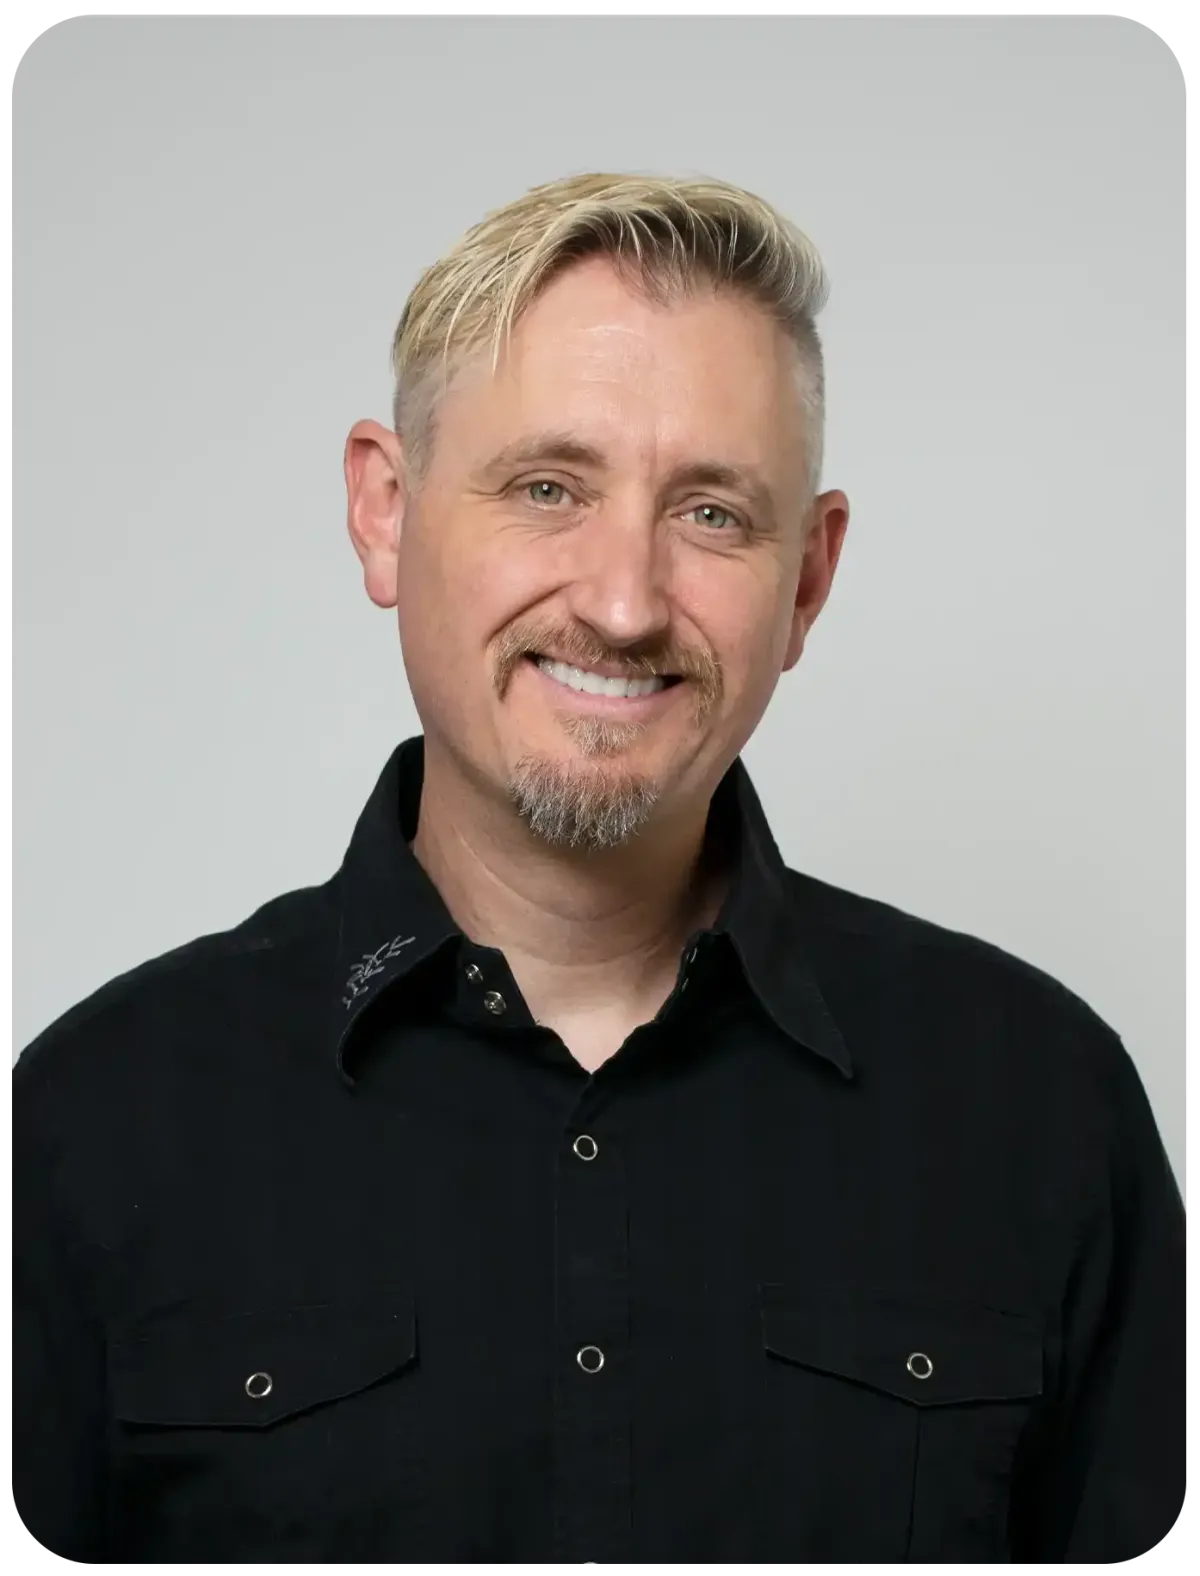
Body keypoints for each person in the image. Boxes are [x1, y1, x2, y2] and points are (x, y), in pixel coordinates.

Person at [10, 171, 1193, 1569]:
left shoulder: (1041, 1107)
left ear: (808, 581)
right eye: (548, 488)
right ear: (385, 510)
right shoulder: (88, 1128)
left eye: (713, 514)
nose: (625, 603)